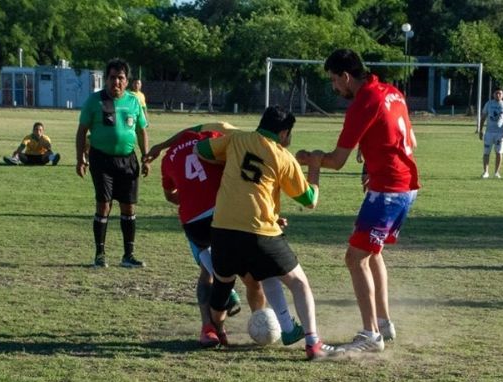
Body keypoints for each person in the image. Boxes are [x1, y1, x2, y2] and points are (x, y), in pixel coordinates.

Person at [296, 49, 419, 353]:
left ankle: (371, 335)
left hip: (388, 190)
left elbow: (337, 161)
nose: (334, 87)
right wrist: (370, 160)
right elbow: (410, 141)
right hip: (403, 186)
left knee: (355, 258)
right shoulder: (392, 92)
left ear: (346, 76)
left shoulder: (364, 102)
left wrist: (311, 159)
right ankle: (383, 323)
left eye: (334, 80)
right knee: (372, 253)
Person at [194, 106, 339, 360]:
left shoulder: (237, 139)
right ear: (283, 133)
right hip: (260, 232)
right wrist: (315, 168)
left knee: (223, 284)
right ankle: (313, 343)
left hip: (222, 230)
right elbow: (310, 200)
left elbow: (201, 150)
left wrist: (226, 157)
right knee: (299, 283)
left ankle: (215, 330)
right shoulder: (283, 156)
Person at [142, 123, 304, 348]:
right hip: (225, 216)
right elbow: (246, 177)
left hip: (193, 223)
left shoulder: (169, 158)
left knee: (210, 273)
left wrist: (192, 198)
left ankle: (210, 329)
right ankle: (259, 318)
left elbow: (170, 195)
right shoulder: (215, 138)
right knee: (252, 276)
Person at [75, 58, 149, 268]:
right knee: (104, 205)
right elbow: (81, 131)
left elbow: (142, 131)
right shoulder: (94, 101)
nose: (116, 82)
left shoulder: (133, 101)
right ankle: (100, 255)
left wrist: (145, 157)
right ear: (106, 79)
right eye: (113, 77)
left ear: (127, 81)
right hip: (101, 159)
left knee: (129, 207)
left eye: (121, 78)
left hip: (128, 160)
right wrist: (80, 158)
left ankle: (128, 256)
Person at [478, 88, 503, 179]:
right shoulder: (489, 104)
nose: (498, 95)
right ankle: (485, 172)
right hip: (489, 133)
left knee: (499, 153)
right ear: (493, 94)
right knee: (486, 152)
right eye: (496, 93)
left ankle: (496, 172)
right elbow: (483, 117)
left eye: (500, 93)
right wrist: (481, 130)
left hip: (500, 133)